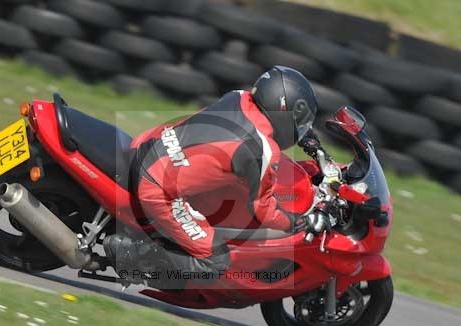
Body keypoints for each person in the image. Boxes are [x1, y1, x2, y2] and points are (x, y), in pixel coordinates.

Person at [103, 66, 331, 286]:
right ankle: (133, 255)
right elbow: (262, 209)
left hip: (147, 146)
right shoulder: (262, 149)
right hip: (157, 189)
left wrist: (306, 138)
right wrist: (296, 222)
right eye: (300, 123)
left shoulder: (237, 97)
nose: (299, 129)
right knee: (215, 262)